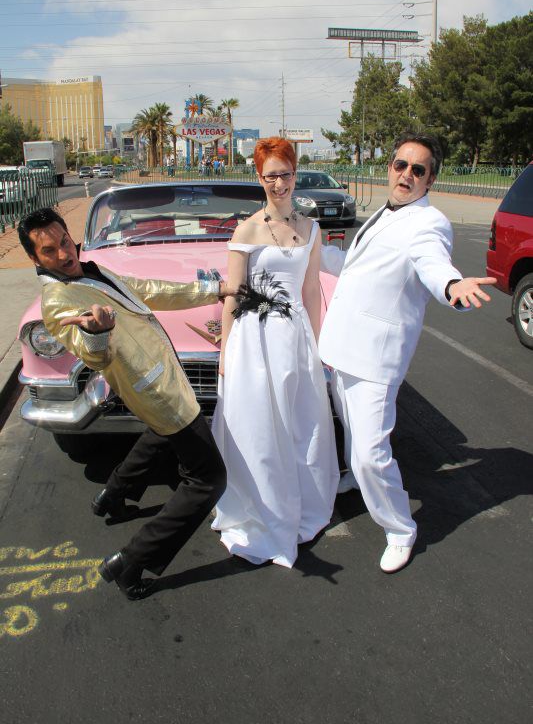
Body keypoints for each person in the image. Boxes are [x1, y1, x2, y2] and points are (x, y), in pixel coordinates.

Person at [18, 207, 228, 600]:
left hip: (161, 379)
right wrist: (98, 333)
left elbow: (145, 289)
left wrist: (212, 290)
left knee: (161, 434)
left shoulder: (91, 269)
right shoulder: (58, 302)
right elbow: (92, 354)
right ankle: (130, 562)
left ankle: (112, 495)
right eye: (49, 251)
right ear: (34, 259)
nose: (63, 253)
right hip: (156, 391)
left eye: (64, 241)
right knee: (209, 479)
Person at [319, 133, 497, 574]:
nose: (407, 175)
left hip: (376, 358)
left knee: (371, 453)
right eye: (401, 165)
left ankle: (400, 528)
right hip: (343, 346)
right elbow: (354, 268)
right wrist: (310, 249)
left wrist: (452, 286)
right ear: (390, 168)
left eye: (418, 170)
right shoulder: (384, 212)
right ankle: (354, 477)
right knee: (350, 429)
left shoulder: (428, 223)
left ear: (430, 179)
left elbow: (433, 264)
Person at [211, 137, 339, 568]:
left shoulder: (311, 229)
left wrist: (318, 349)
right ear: (259, 178)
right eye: (270, 176)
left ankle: (301, 503)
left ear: (295, 174)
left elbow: (311, 291)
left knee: (302, 423)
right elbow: (233, 295)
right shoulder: (246, 230)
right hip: (256, 341)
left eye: (285, 174)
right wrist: (225, 353)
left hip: (296, 338)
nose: (279, 183)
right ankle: (265, 509)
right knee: (261, 429)